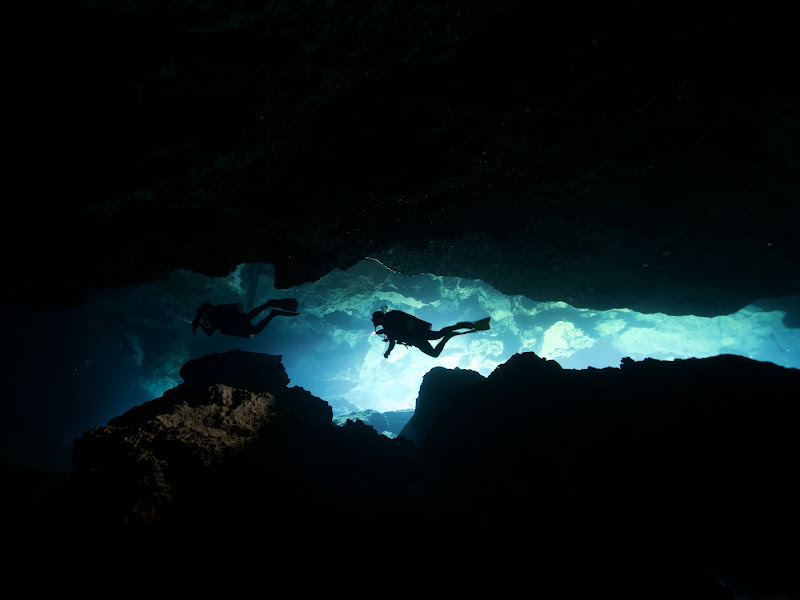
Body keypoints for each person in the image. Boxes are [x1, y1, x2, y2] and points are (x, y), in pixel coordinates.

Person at [372, 308, 491, 359]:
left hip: (416, 339)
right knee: (438, 335)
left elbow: (392, 342)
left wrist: (388, 352)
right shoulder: (391, 320)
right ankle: (464, 325)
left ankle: (449, 336)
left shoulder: (388, 327)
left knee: (435, 352)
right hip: (418, 333)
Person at [192, 298, 300, 338]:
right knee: (251, 316)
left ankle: (272, 312)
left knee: (255, 329)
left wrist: (199, 324)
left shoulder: (213, 318)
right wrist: (198, 323)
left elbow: (209, 333)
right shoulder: (214, 313)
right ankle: (270, 307)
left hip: (236, 323)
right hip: (237, 319)